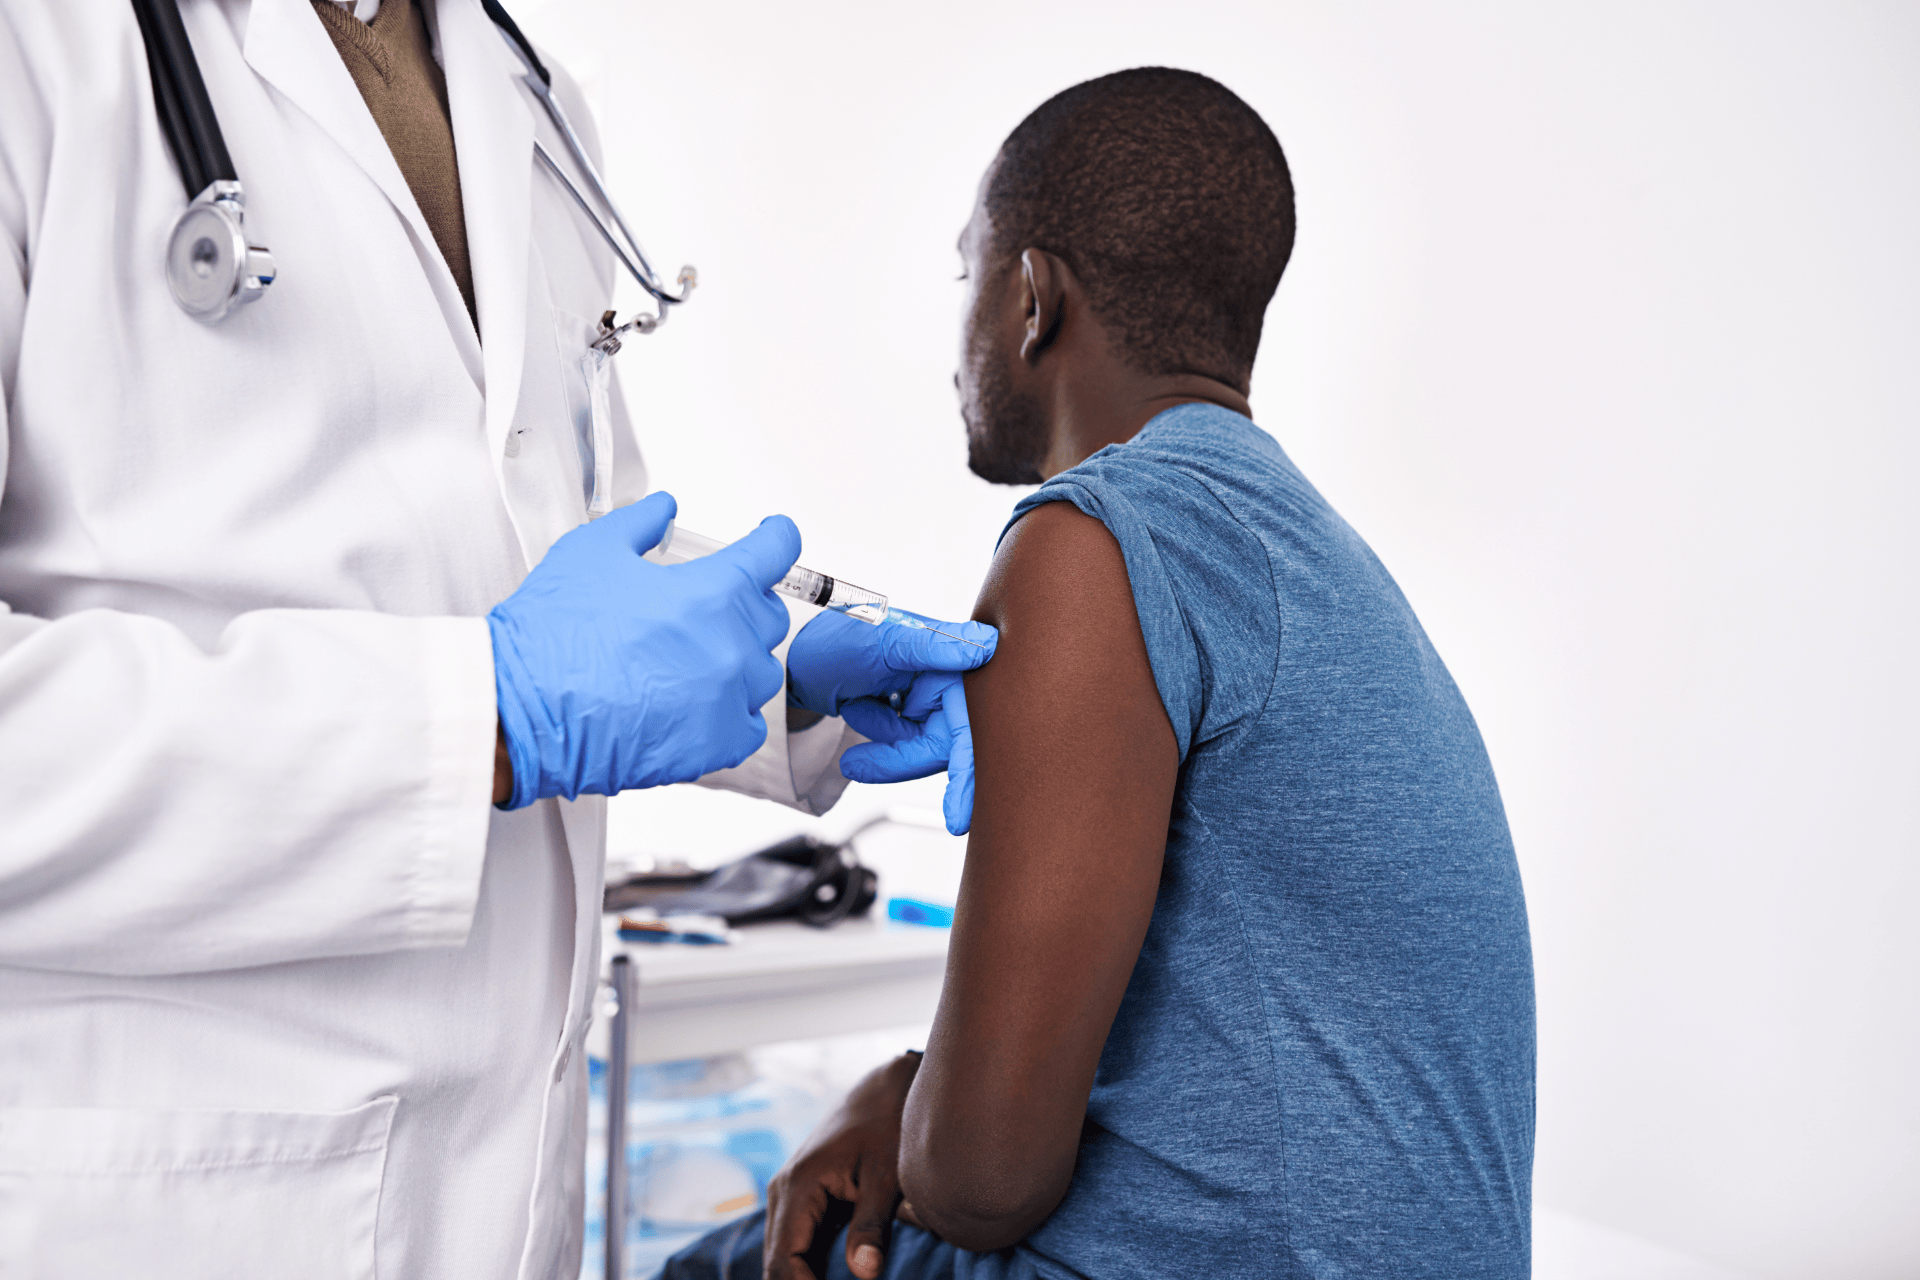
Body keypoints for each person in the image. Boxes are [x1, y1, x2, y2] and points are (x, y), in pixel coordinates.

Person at [0, 2, 990, 1278]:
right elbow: (519, 659)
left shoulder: (523, 89)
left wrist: (783, 675)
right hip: (146, 1192)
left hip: (503, 1191)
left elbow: (544, 550)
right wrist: (485, 710)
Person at [665, 67, 1535, 1280]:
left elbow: (978, 1184)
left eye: (968, 272)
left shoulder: (1090, 539)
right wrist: (905, 1086)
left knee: (710, 1260)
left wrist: (892, 1092)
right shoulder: (1308, 549)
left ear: (1032, 298)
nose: (957, 334)